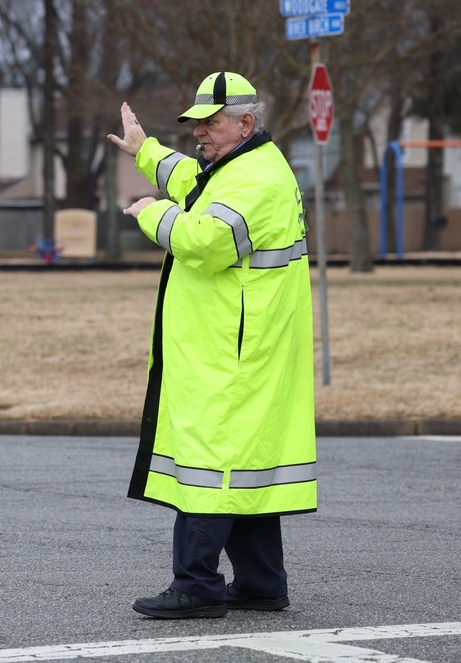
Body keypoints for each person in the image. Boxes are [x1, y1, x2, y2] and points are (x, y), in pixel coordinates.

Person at [106, 71, 318, 619]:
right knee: (240, 464)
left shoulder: (254, 180)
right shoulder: (242, 166)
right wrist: (144, 151)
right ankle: (262, 583)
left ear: (245, 123)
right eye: (196, 123)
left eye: (210, 123)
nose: (199, 133)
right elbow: (193, 180)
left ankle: (196, 586)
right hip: (237, 348)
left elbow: (207, 241)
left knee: (211, 463)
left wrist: (148, 212)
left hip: (234, 354)